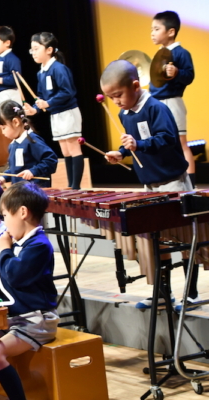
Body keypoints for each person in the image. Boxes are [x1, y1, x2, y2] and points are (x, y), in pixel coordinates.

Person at [101, 59, 196, 310]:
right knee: (158, 242)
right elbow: (132, 142)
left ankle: (191, 293)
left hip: (173, 183)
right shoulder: (124, 114)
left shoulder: (156, 108)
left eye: (118, 95)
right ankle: (163, 292)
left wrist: (138, 145)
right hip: (150, 186)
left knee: (185, 243)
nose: (116, 102)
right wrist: (122, 152)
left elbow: (166, 138)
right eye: (111, 97)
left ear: (135, 86)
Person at [0, 182, 58, 400]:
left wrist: (4, 249)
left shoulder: (39, 245)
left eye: (5, 215)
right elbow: (2, 272)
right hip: (15, 318)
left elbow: (15, 275)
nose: (3, 222)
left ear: (22, 212)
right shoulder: (21, 242)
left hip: (37, 320)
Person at [25, 32, 84, 190]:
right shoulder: (40, 72)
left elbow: (68, 92)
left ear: (49, 50)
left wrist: (48, 103)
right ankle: (71, 185)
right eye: (32, 50)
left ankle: (76, 186)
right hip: (55, 115)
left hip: (68, 112)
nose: (33, 53)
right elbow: (41, 97)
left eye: (36, 49)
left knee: (73, 148)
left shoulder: (58, 68)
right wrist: (34, 109)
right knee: (65, 151)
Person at [150, 11, 196, 187]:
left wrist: (177, 73)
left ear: (171, 32)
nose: (152, 33)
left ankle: (191, 185)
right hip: (157, 102)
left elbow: (189, 76)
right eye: (152, 29)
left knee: (181, 143)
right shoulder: (160, 54)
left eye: (156, 29)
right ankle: (166, 182)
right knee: (160, 143)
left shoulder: (181, 53)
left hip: (172, 101)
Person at [0, 101, 58, 187]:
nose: (2, 132)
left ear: (16, 122)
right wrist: (3, 177)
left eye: (3, 128)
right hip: (20, 190)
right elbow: (16, 170)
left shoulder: (32, 140)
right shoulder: (13, 145)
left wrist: (33, 171)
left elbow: (51, 160)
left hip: (35, 190)